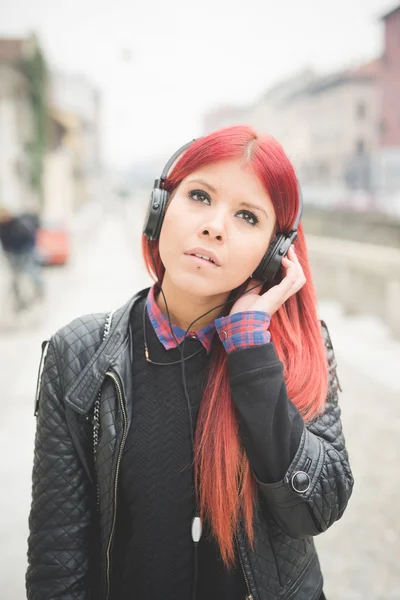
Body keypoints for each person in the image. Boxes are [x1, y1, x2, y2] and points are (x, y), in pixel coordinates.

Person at [26, 126, 353, 600]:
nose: (215, 226)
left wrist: (251, 352)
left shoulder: (297, 348)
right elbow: (58, 558)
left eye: (247, 216)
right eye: (199, 196)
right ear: (161, 207)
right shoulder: (78, 352)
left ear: (273, 255)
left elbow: (315, 509)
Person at [0, 206, 43, 311]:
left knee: (31, 272)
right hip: (12, 253)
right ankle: (19, 299)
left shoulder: (18, 223)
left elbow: (29, 237)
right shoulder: (2, 226)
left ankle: (39, 290)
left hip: (25, 252)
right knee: (15, 278)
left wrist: (27, 251)